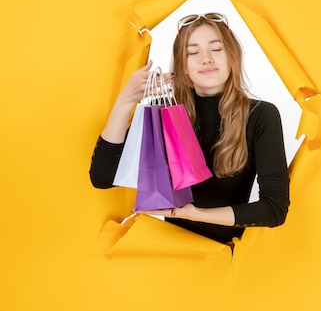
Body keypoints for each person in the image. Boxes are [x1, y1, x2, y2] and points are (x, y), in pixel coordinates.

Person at [89, 13, 290, 246]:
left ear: (233, 57)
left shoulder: (261, 115)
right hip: (172, 253)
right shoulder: (163, 114)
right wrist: (125, 101)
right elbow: (103, 178)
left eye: (216, 49)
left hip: (225, 258)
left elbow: (274, 209)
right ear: (182, 67)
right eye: (192, 52)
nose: (206, 59)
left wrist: (193, 214)